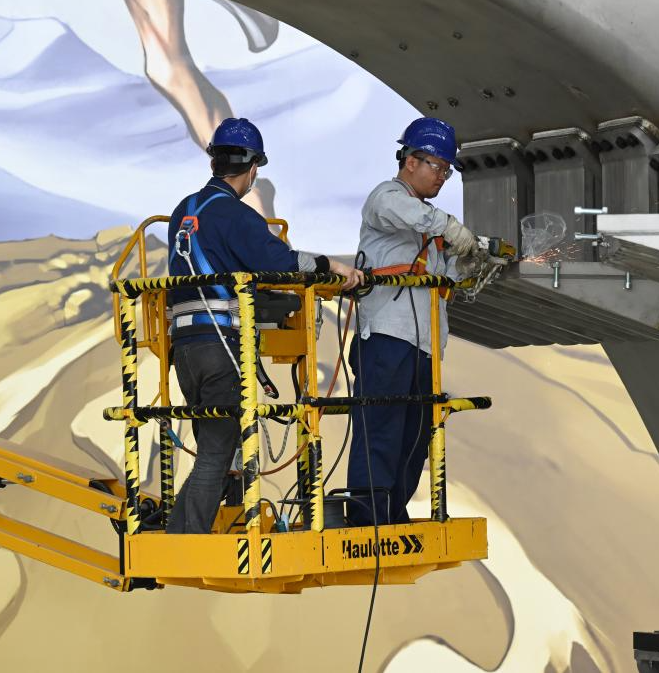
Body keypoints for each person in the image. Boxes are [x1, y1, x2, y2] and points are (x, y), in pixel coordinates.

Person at [166, 117, 363, 534]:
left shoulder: (183, 211)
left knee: (213, 449)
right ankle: (185, 539)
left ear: (215, 161)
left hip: (184, 346)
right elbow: (280, 263)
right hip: (220, 344)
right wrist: (330, 266)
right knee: (218, 453)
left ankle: (180, 532)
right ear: (253, 167)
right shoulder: (235, 215)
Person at [346, 117, 480, 526]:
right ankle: (369, 514)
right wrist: (452, 229)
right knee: (382, 425)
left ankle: (393, 511)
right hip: (387, 336)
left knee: (415, 434)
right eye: (436, 166)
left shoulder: (426, 223)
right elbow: (403, 213)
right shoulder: (387, 198)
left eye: (446, 170)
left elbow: (446, 281)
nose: (441, 176)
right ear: (410, 161)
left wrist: (471, 263)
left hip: (423, 345)